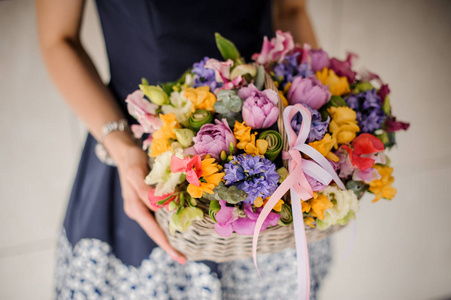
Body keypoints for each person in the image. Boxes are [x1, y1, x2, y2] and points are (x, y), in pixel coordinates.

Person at [36, 0, 330, 298]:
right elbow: (59, 39)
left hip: (270, 151)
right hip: (144, 153)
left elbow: (291, 10)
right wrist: (121, 147)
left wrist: (314, 114)